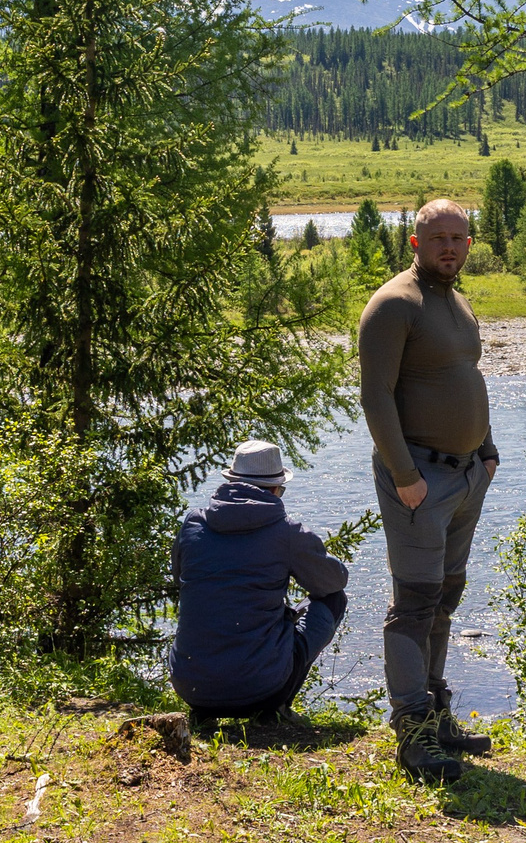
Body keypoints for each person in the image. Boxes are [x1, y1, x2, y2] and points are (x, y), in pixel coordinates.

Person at [358, 196, 500, 783]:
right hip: (418, 477)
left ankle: (437, 716)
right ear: (415, 243)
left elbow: (467, 377)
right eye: (437, 238)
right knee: (414, 602)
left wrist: (486, 451)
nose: (449, 246)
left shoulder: (455, 300)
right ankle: (412, 733)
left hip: (465, 474)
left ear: (469, 243)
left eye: (458, 237)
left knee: (445, 594)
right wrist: (404, 475)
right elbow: (375, 396)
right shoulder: (396, 304)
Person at [169, 441, 349, 732]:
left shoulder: (193, 523)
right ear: (276, 489)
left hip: (191, 687)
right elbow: (334, 581)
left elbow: (180, 578)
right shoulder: (286, 531)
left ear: (231, 482)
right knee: (334, 598)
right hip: (262, 689)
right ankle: (276, 707)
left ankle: (206, 710)